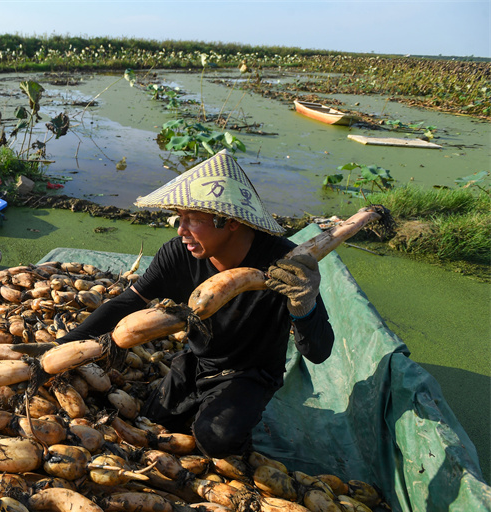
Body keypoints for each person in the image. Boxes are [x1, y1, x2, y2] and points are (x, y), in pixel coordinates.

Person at [58, 150, 335, 458]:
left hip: (252, 373)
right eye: (179, 218)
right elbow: (127, 303)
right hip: (198, 361)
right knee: (149, 423)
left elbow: (319, 352)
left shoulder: (285, 265)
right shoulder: (178, 255)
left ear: (229, 221)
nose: (181, 230)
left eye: (192, 220)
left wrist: (303, 303)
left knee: (216, 439)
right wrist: (61, 347)